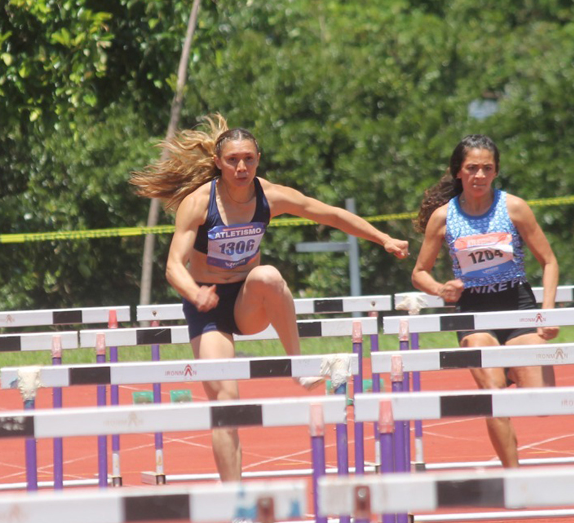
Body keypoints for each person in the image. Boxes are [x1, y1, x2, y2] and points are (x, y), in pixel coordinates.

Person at [131, 114, 409, 481]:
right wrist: (194, 292)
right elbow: (172, 267)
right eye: (232, 160)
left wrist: (382, 238)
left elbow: (330, 214)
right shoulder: (199, 203)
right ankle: (237, 501)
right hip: (208, 307)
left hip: (248, 300)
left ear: (258, 158)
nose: (241, 167)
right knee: (225, 403)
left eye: (248, 158)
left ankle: (296, 363)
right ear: (218, 162)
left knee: (269, 275)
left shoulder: (270, 195)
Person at [410, 134, 559, 468]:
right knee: (492, 396)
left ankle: (509, 367)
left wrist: (546, 314)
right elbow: (419, 272)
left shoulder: (514, 207)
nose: (479, 175)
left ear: (496, 172)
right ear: (458, 172)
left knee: (544, 402)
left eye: (486, 168)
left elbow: (549, 262)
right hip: (473, 311)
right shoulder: (444, 217)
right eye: (472, 168)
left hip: (517, 305)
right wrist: (440, 290)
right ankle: (514, 478)